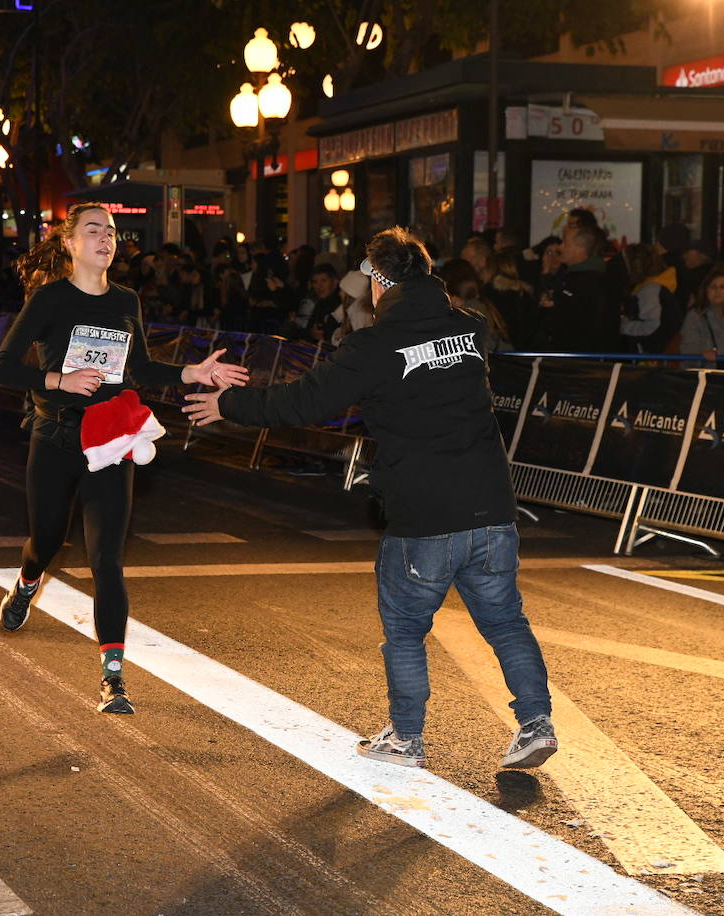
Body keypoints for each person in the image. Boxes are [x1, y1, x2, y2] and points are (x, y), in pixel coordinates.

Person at [183, 226, 557, 771]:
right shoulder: (470, 330)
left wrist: (231, 405)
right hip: (491, 507)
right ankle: (536, 723)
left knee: (406, 628)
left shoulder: (373, 347)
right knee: (505, 622)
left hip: (423, 514)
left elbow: (304, 401)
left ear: (379, 281)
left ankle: (406, 738)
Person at [0, 203, 248, 714]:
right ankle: (27, 579)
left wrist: (189, 374)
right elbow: (1, 369)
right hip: (56, 436)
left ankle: (113, 678)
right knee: (46, 540)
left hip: (110, 440)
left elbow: (142, 366)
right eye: (93, 230)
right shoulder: (50, 299)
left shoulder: (127, 300)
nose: (106, 239)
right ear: (69, 242)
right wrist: (59, 381)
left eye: (111, 231)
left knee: (106, 557)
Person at [679, 264, 724, 367]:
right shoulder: (695, 316)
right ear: (706, 290)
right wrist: (702, 355)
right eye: (713, 287)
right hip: (703, 374)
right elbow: (688, 349)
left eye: (722, 287)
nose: (718, 291)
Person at [620, 243, 680, 354]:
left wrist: (624, 326)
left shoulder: (649, 290)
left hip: (649, 354)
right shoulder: (658, 284)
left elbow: (651, 325)